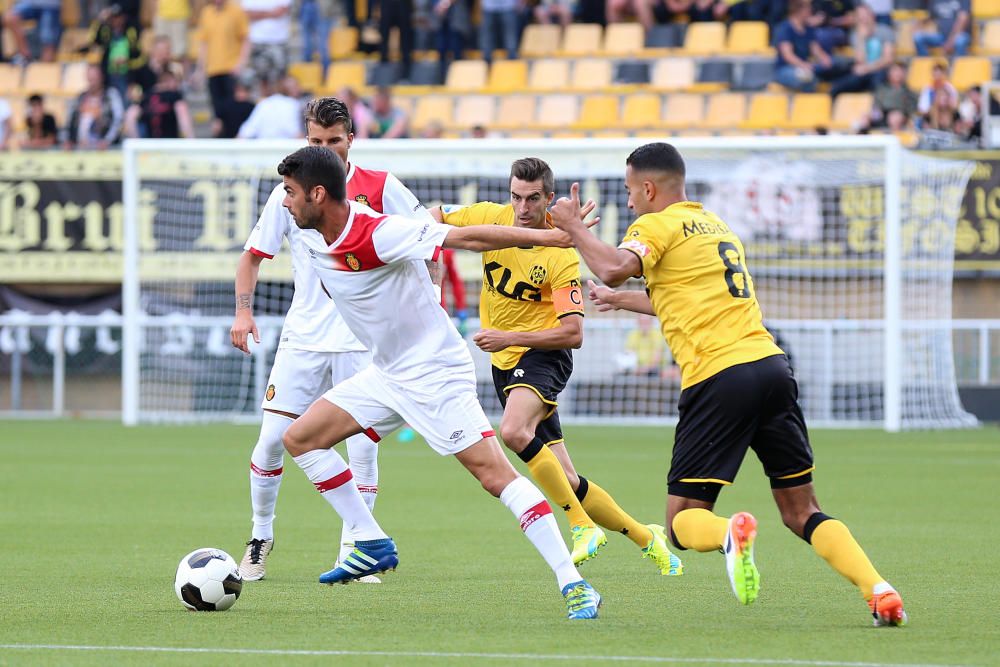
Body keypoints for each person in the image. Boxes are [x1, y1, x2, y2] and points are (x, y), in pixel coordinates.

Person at [548, 142, 907, 627]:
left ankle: (728, 535)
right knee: (802, 510)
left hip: (719, 377)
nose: (630, 202)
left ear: (649, 188)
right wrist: (621, 300)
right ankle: (879, 590)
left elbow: (613, 263)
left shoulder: (655, 225)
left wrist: (572, 229)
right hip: (772, 369)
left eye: (632, 192)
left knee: (680, 521)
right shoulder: (716, 226)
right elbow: (682, 298)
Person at [277, 145, 601, 619]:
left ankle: (574, 584)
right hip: (387, 373)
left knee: (495, 477)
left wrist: (552, 239)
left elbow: (465, 237)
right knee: (300, 439)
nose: (284, 201)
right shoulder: (311, 239)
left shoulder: (378, 232)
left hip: (433, 373)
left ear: (318, 194)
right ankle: (369, 540)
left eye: (290, 192)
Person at [429, 158, 683, 574]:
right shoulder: (493, 219)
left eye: (532, 199)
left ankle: (580, 525)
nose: (522, 208)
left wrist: (509, 337)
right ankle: (645, 536)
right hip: (505, 362)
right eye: (515, 197)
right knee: (567, 477)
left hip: (544, 354)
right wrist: (428, 255)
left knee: (512, 431)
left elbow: (573, 334)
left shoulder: (562, 254)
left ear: (550, 199)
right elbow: (433, 217)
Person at [231, 97, 439, 584]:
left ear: (351, 139)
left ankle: (357, 546)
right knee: (270, 443)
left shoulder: (382, 187)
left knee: (362, 449)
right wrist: (243, 314)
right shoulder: (290, 192)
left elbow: (429, 238)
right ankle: (261, 537)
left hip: (363, 340)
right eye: (316, 141)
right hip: (303, 339)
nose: (326, 148)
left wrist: (432, 304)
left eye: (334, 140)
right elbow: (251, 256)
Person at [196, 0, 250, 126]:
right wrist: (200, 68)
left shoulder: (236, 11)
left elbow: (245, 39)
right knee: (217, 111)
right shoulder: (206, 12)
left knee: (232, 109)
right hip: (212, 69)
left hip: (230, 68)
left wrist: (241, 63)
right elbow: (204, 43)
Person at [64, 64, 125, 150]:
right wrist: (69, 140)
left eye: (95, 79)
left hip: (105, 149)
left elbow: (119, 120)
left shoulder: (111, 96)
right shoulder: (80, 98)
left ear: (101, 78)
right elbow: (71, 120)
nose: (92, 83)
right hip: (81, 148)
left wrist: (107, 140)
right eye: (90, 79)